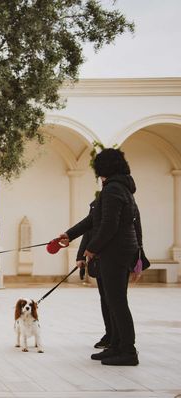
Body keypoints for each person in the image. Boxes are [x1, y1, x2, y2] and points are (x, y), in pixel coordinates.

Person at [57, 148, 142, 366]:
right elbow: (93, 219)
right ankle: (115, 346)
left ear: (104, 168)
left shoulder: (113, 189)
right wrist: (69, 235)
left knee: (117, 302)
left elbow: (108, 225)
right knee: (112, 301)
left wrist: (91, 249)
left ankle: (128, 352)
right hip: (117, 251)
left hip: (116, 253)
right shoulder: (119, 188)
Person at [76, 197, 113, 349]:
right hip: (98, 262)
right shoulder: (96, 206)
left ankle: (118, 339)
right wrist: (80, 256)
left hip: (112, 260)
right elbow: (87, 232)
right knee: (105, 299)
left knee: (114, 302)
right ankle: (109, 334)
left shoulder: (115, 204)